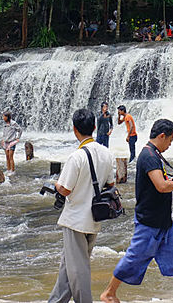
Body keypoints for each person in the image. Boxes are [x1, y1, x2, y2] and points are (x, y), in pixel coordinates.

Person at [100, 119, 173, 303]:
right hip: (149, 221)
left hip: (163, 221)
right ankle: (109, 293)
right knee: (133, 258)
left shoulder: (154, 154)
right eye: (170, 140)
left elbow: (161, 179)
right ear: (162, 136)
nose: (170, 144)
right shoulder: (149, 156)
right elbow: (161, 185)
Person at [48, 109, 115, 303]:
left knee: (78, 270)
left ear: (74, 130)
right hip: (94, 218)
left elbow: (65, 189)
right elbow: (111, 184)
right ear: (95, 127)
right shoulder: (107, 154)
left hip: (76, 219)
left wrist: (56, 185)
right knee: (69, 267)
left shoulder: (76, 157)